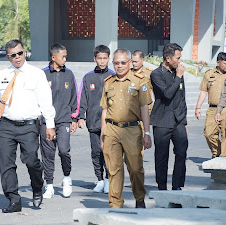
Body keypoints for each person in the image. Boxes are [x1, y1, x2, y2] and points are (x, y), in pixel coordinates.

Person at [0, 40, 56, 213]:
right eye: (13, 55)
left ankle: (37, 186)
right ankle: (13, 199)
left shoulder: (36, 74)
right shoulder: (2, 74)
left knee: (30, 160)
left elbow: (45, 100)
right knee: (6, 164)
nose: (17, 57)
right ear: (8, 57)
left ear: (24, 52)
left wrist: (50, 124)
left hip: (28, 126)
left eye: (20, 53)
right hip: (5, 126)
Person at [100, 49, 152, 208]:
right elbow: (104, 110)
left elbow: (144, 108)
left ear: (130, 63)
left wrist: (147, 133)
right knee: (114, 170)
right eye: (116, 63)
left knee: (135, 168)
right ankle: (115, 205)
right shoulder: (108, 82)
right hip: (112, 130)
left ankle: (139, 198)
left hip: (132, 129)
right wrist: (103, 133)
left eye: (123, 62)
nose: (120, 66)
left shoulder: (139, 81)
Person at [40, 43, 78, 199]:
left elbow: (74, 96)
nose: (65, 59)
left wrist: (75, 118)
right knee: (48, 154)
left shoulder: (69, 74)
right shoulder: (42, 74)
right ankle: (49, 185)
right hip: (45, 122)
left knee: (63, 150)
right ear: (53, 57)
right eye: (63, 56)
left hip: (64, 120)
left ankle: (67, 178)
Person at [150, 43, 188, 191]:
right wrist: (178, 77)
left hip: (178, 120)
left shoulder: (177, 73)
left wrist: (184, 121)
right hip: (162, 120)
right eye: (177, 58)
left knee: (181, 152)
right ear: (167, 58)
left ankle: (177, 185)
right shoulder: (156, 74)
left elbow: (181, 97)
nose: (179, 61)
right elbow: (167, 94)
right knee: (161, 155)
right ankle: (162, 186)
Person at [77, 45, 114, 193]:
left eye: (105, 58)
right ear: (95, 59)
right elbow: (83, 98)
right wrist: (80, 117)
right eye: (99, 58)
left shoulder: (113, 76)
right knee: (96, 152)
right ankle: (99, 180)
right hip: (93, 121)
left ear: (109, 59)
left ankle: (108, 179)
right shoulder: (88, 77)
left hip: (110, 122)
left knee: (109, 152)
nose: (102, 61)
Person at [195, 52, 226, 158]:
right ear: (218, 62)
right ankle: (217, 151)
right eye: (225, 63)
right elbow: (203, 91)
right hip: (212, 109)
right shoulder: (209, 74)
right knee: (208, 133)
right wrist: (198, 107)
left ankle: (225, 158)